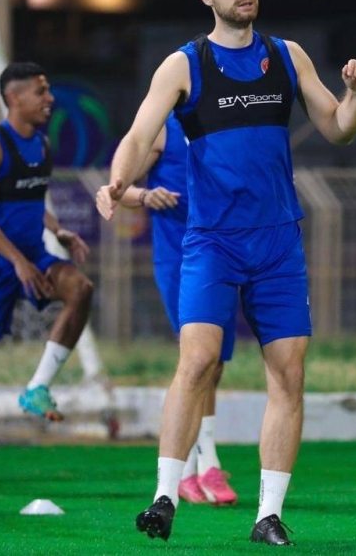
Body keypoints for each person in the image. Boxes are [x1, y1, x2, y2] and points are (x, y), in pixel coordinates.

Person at [95, 0, 356, 545]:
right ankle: (165, 497)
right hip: (212, 242)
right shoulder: (184, 65)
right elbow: (140, 136)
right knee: (197, 362)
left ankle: (268, 514)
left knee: (289, 374)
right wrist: (120, 181)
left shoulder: (287, 56)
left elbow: (338, 129)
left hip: (278, 243)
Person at [0, 61, 93, 493]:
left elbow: (32, 202)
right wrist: (15, 260)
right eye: (40, 91)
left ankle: (38, 388)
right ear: (14, 98)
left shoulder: (42, 144)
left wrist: (57, 230)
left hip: (31, 256)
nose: (50, 98)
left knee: (81, 288)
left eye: (48, 90)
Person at [119, 113, 238, 506]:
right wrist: (143, 196)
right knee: (198, 359)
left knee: (214, 364)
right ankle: (204, 465)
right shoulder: (163, 130)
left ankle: (192, 469)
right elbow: (119, 185)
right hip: (181, 259)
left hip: (223, 255)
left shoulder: (225, 123)